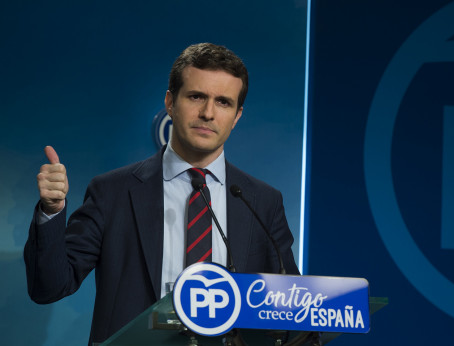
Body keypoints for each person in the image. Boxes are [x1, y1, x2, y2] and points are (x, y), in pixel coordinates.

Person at [24, 43, 299, 344]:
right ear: (170, 102)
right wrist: (51, 210)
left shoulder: (262, 201)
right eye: (197, 97)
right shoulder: (112, 192)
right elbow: (49, 287)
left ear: (236, 116)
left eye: (223, 102)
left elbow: (288, 310)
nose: (208, 113)